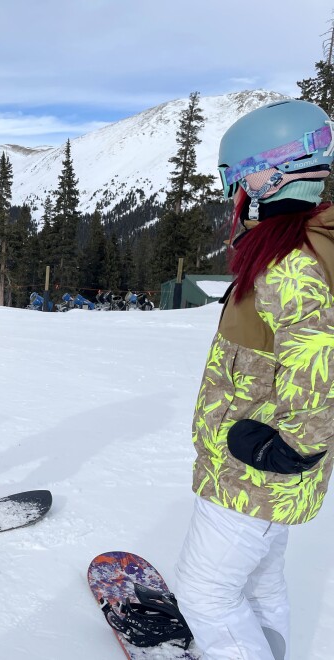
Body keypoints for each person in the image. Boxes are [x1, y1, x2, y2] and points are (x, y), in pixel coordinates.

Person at [175, 99, 334, 659]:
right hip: (258, 464)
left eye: (235, 178)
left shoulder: (293, 263)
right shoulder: (312, 244)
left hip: (253, 470)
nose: (232, 194)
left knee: (204, 595)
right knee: (259, 583)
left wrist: (283, 449)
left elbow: (323, 364)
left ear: (269, 174)